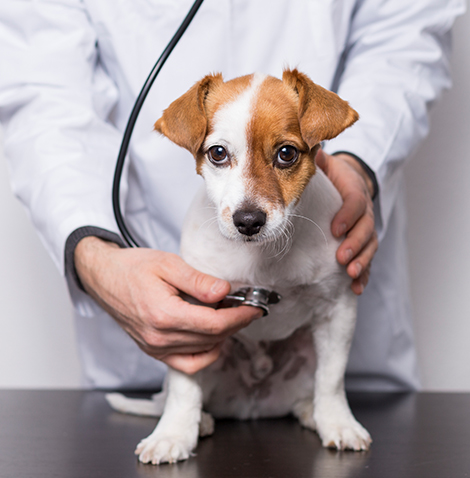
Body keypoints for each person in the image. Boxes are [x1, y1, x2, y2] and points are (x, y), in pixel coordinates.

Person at [0, 0, 464, 391]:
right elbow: (41, 88)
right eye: (218, 153)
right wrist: (93, 251)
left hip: (329, 350)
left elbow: (406, 36)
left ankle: (324, 397)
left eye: (284, 155)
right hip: (156, 304)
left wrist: (359, 164)